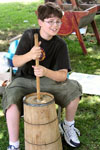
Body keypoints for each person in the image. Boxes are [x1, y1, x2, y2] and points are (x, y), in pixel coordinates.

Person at [2, 2, 82, 150]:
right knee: (11, 100)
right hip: (23, 79)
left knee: (74, 89)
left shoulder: (60, 45)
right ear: (40, 22)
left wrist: (46, 72)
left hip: (48, 81)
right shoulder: (29, 35)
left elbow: (63, 75)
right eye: (50, 21)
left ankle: (68, 126)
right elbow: (15, 62)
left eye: (58, 21)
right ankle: (14, 144)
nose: (55, 25)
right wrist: (30, 54)